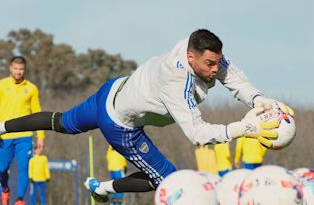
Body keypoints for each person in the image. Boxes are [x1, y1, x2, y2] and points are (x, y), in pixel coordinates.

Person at [0, 29, 293, 202]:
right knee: (166, 181)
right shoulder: (176, 81)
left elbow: (233, 77)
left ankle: (1, 127)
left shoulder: (196, 48)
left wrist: (259, 100)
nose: (215, 70)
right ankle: (102, 189)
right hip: (120, 126)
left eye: (217, 62)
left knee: (62, 122)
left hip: (112, 89)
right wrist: (245, 128)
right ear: (191, 58)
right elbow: (198, 135)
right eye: (210, 64)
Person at [0, 56, 44, 205]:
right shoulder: (2, 85)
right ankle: (5, 189)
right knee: (1, 168)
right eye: (16, 68)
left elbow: (37, 112)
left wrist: (41, 136)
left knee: (24, 167)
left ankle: (19, 199)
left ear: (24, 70)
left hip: (25, 136)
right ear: (10, 68)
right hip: (4, 135)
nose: (18, 72)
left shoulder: (31, 88)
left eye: (21, 69)